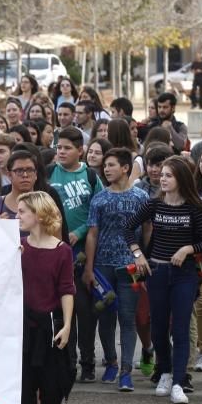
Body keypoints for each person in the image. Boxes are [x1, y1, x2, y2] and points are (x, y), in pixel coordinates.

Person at [125, 157, 202, 404]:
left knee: (180, 328)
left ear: (181, 178)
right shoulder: (154, 204)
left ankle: (179, 383)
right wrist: (138, 254)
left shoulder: (195, 208)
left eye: (168, 175)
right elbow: (127, 228)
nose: (162, 179)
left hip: (185, 275)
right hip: (157, 273)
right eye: (162, 175)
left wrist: (188, 249)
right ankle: (166, 373)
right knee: (158, 328)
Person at [17, 191, 75, 404]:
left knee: (56, 386)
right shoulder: (17, 247)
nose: (17, 216)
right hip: (22, 327)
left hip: (51, 325)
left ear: (38, 215)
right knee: (24, 387)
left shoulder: (62, 251)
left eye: (22, 212)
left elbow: (66, 289)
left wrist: (68, 325)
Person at [82, 149, 148, 391]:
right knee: (105, 317)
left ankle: (126, 371)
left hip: (131, 266)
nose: (106, 169)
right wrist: (89, 268)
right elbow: (92, 234)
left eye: (111, 165)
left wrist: (145, 259)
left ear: (125, 168)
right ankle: (111, 361)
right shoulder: (99, 199)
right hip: (103, 266)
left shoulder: (141, 197)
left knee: (128, 318)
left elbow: (148, 229)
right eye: (105, 165)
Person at [49, 127, 102, 382]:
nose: (61, 152)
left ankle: (88, 363)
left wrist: (78, 233)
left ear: (80, 150)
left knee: (84, 312)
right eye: (59, 147)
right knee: (62, 312)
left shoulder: (90, 176)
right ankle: (67, 364)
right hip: (55, 253)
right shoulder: (49, 173)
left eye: (67, 148)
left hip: (83, 255)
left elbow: (98, 213)